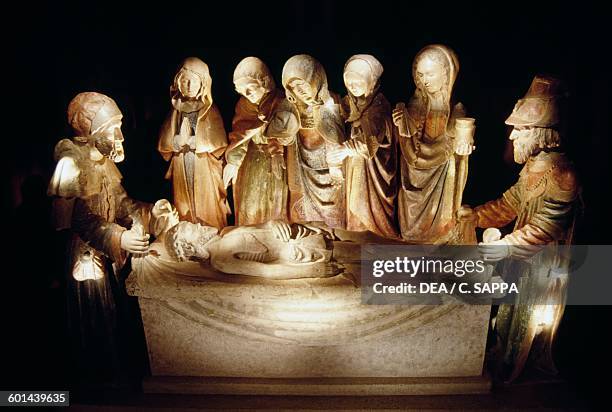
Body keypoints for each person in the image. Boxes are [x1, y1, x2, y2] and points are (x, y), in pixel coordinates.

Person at [462, 75, 580, 382]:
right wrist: (474, 216)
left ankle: (519, 372)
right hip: (522, 259)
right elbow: (508, 204)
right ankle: (503, 360)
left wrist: (505, 245)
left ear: (541, 132)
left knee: (528, 320)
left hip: (545, 266)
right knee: (507, 319)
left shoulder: (563, 174)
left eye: (520, 130)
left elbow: (546, 227)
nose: (512, 136)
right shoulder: (533, 166)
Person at [48, 92, 156, 383]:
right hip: (85, 253)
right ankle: (98, 379)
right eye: (112, 129)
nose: (119, 136)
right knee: (95, 315)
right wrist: (119, 237)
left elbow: (121, 203)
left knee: (115, 311)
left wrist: (151, 211)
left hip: (109, 251)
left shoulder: (105, 163)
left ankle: (118, 371)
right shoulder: (72, 164)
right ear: (91, 130)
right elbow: (78, 220)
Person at [392, 44, 474, 244]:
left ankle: (439, 241)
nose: (424, 80)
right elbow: (406, 134)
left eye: (430, 74)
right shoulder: (415, 104)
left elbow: (463, 128)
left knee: (440, 225)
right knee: (409, 224)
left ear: (446, 74)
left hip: (442, 172)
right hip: (413, 170)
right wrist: (402, 123)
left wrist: (465, 138)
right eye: (420, 74)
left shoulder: (456, 108)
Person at [267, 54, 346, 228]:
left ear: (315, 79)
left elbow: (335, 135)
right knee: (302, 208)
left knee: (333, 209)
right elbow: (276, 135)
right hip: (300, 164)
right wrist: (277, 153)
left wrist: (336, 166)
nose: (299, 91)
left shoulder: (330, 102)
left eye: (301, 84)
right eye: (293, 87)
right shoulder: (288, 106)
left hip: (328, 164)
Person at [328, 54, 398, 238]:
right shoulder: (352, 103)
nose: (352, 86)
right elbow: (334, 110)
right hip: (355, 167)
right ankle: (355, 236)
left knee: (365, 204)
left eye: (358, 81)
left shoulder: (378, 107)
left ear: (372, 82)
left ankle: (373, 237)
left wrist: (346, 149)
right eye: (348, 81)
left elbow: (371, 140)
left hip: (373, 169)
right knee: (353, 199)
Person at [158, 57, 229, 228]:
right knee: (183, 203)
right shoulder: (175, 111)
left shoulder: (210, 110)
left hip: (204, 166)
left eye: (193, 81)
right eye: (184, 80)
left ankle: (212, 232)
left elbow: (219, 144)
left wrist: (195, 141)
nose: (188, 85)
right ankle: (187, 233)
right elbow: (164, 144)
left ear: (203, 84)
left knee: (207, 202)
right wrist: (175, 142)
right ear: (177, 82)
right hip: (181, 164)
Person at [224, 57, 288, 225]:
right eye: (242, 91)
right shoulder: (244, 106)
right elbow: (240, 135)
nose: (247, 94)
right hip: (251, 161)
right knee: (249, 203)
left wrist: (276, 152)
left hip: (277, 160)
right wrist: (233, 162)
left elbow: (282, 132)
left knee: (274, 201)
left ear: (264, 82)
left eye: (250, 89)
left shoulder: (280, 101)